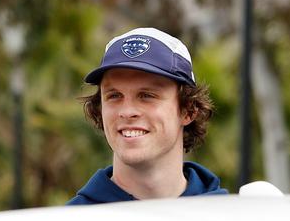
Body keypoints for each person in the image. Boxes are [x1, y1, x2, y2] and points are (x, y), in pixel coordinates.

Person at [67, 27, 227, 205]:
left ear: (188, 110)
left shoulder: (229, 217)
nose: (127, 112)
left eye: (147, 96)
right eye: (114, 96)